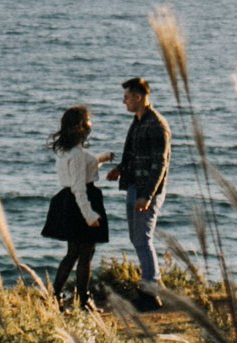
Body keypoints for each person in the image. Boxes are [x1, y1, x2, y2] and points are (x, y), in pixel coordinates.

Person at [39, 104, 110, 308]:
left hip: (68, 201)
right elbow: (79, 186)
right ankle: (83, 299)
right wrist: (89, 215)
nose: (91, 123)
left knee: (73, 252)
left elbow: (81, 170)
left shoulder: (67, 150)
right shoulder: (78, 154)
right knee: (86, 253)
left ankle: (55, 297)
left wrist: (101, 159)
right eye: (88, 119)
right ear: (81, 126)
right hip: (82, 201)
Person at [114, 76, 169, 294]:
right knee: (136, 237)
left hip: (147, 191)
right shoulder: (138, 122)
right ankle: (153, 282)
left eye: (127, 97)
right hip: (134, 186)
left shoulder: (156, 125)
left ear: (138, 97)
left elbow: (160, 164)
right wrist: (120, 170)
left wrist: (147, 196)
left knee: (143, 238)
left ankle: (151, 287)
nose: (123, 101)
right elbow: (134, 154)